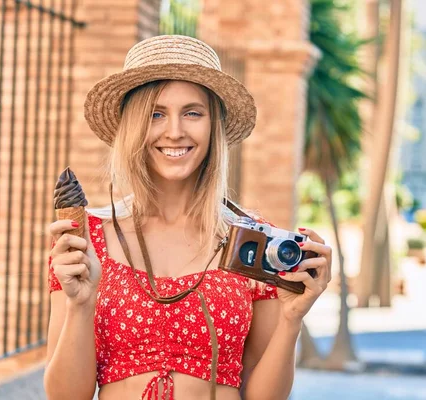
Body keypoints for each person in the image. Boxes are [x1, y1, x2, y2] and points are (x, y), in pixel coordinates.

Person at [44, 35, 332, 400]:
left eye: (193, 112)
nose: (175, 131)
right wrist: (81, 305)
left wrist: (292, 320)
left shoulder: (253, 246)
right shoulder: (85, 241)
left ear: (214, 126)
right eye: (155, 114)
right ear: (132, 125)